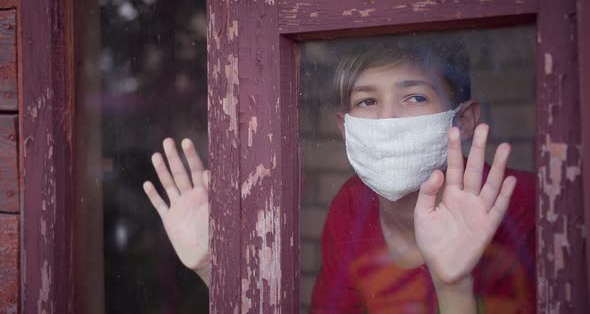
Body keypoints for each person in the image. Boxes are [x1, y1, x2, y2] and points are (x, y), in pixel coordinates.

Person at [143, 38, 535, 313]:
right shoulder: (353, 206)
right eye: (367, 101)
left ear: (462, 120)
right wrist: (215, 268)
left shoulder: (527, 204)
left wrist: (454, 286)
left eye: (415, 97)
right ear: (345, 128)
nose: (387, 119)